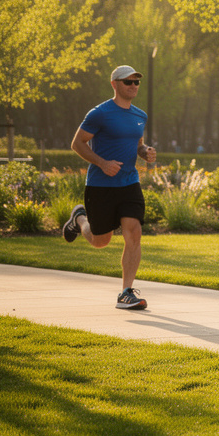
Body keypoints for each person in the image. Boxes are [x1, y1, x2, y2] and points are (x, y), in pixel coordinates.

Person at [63, 65, 157, 310]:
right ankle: (79, 219)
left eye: (137, 82)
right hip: (101, 185)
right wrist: (102, 163)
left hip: (129, 182)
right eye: (128, 82)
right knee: (100, 241)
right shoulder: (99, 113)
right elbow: (77, 143)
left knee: (133, 231)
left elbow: (137, 144)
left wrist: (144, 152)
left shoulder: (140, 115)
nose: (134, 86)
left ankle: (126, 292)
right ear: (114, 84)